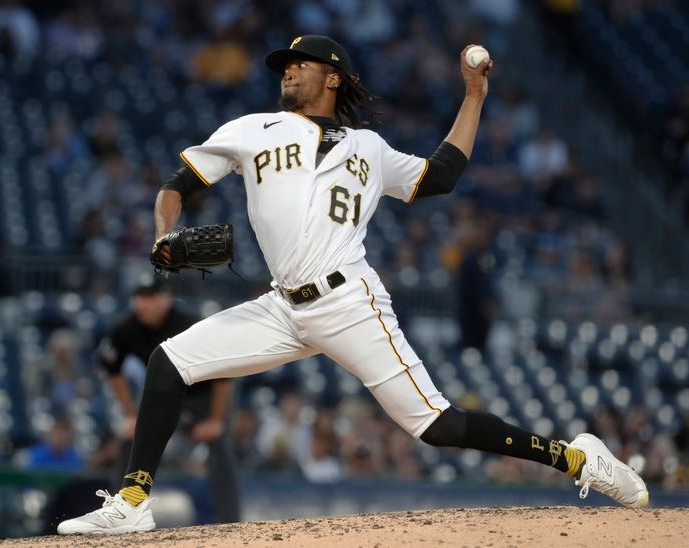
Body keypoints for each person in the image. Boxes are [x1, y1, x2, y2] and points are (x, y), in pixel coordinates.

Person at [58, 34, 647, 535]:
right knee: (169, 362)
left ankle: (578, 459)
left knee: (435, 426)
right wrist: (165, 232)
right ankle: (133, 503)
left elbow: (439, 176)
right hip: (281, 307)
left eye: (300, 63)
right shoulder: (252, 128)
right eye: (283, 66)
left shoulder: (370, 147)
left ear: (332, 77)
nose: (287, 70)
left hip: (349, 301)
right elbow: (176, 183)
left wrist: (473, 98)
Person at [94, 275, 240, 524]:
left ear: (166, 299)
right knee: (131, 441)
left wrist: (216, 420)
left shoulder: (190, 324)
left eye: (149, 297)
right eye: (139, 297)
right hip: (162, 398)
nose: (142, 304)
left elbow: (223, 374)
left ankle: (231, 521)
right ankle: (119, 514)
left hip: (202, 399)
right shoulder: (126, 329)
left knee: (220, 448)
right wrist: (130, 415)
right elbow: (111, 370)